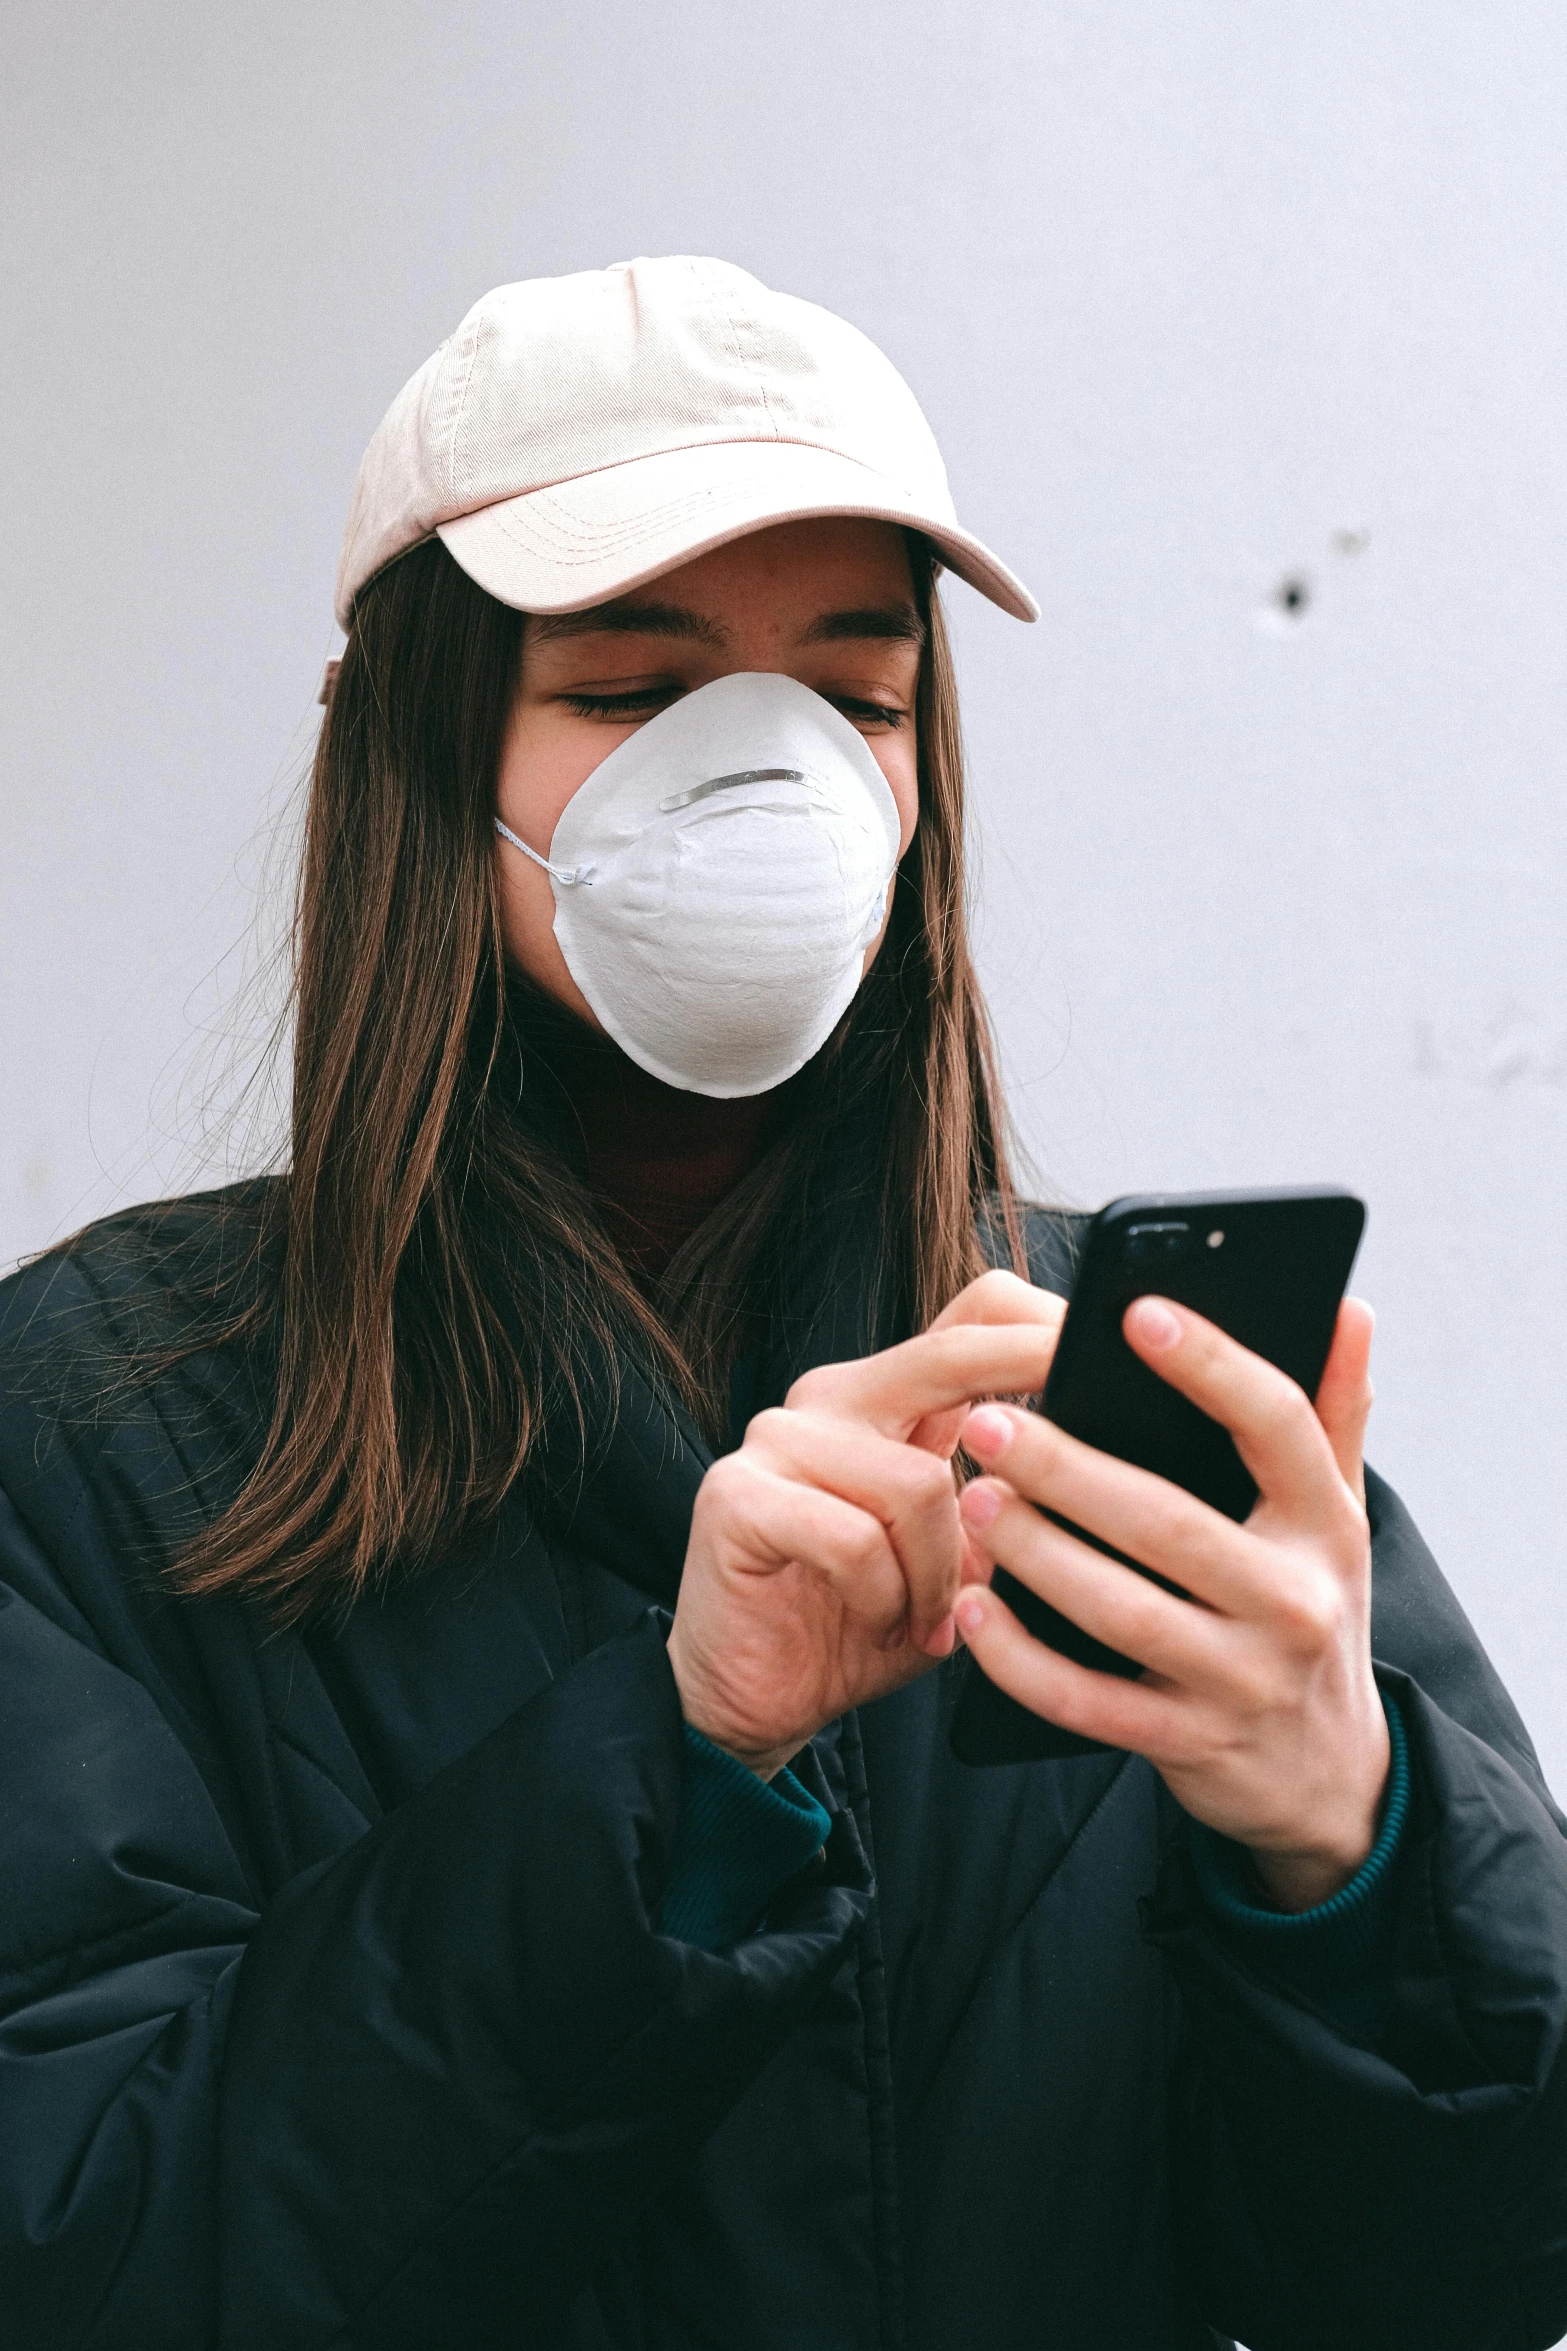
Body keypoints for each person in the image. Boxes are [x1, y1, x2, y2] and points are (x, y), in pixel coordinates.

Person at [2, 255, 1564, 2351]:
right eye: (634, 692)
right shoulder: (110, 1421)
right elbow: (93, 2256)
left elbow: (1462, 2272)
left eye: (854, 693)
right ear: (418, 752)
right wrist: (681, 1754)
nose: (766, 785)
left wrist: (1350, 1844)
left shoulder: (1116, 1396)